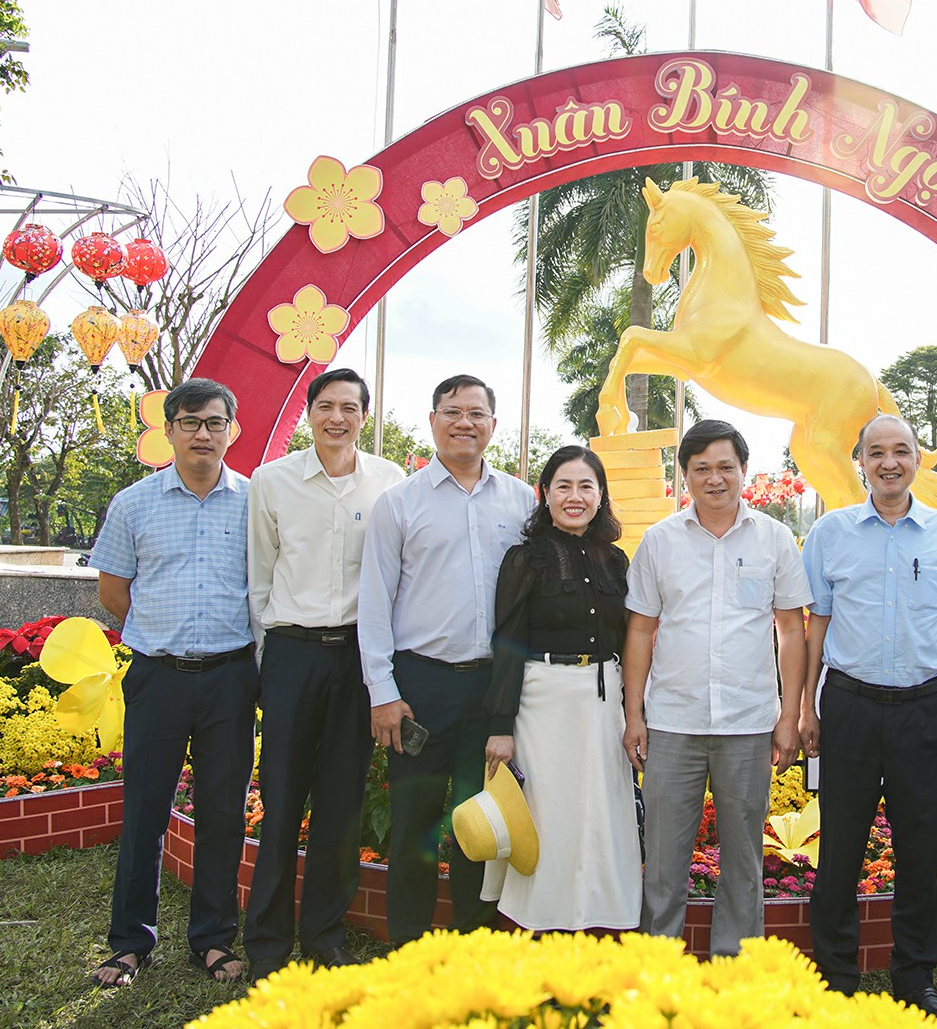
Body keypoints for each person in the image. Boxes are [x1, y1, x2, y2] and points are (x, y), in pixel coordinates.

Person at [800, 413, 937, 1022]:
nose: (889, 462)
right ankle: (835, 979)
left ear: (917, 459)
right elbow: (816, 624)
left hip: (923, 709)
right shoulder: (830, 532)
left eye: (901, 451)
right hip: (850, 707)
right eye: (877, 452)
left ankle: (915, 977)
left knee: (918, 850)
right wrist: (805, 705)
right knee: (840, 849)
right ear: (860, 461)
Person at [88, 378, 255, 988]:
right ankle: (130, 942)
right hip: (157, 677)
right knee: (145, 810)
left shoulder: (255, 502)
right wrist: (160, 629)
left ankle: (212, 939)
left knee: (223, 812)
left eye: (214, 422)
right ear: (169, 430)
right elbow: (114, 591)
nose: (202, 433)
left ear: (232, 430)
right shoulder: (134, 503)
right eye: (190, 422)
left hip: (231, 678)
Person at [358, 375, 536, 944]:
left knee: (479, 819)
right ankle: (409, 944)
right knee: (414, 818)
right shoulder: (399, 502)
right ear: (432, 420)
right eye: (452, 411)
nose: (465, 423)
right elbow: (374, 603)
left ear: (493, 425)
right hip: (421, 685)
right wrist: (383, 693)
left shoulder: (521, 500)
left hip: (492, 688)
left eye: (476, 413)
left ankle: (471, 943)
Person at [623, 419, 811, 955]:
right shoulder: (660, 541)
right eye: (701, 468)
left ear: (744, 471)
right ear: (685, 476)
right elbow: (640, 630)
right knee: (663, 862)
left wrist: (789, 715)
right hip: (672, 723)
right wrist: (634, 716)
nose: (714, 478)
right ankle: (658, 969)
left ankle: (735, 970)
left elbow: (790, 631)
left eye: (725, 466)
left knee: (744, 862)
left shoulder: (774, 538)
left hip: (748, 724)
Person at [243, 367, 405, 980]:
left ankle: (324, 936)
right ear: (309, 412)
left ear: (365, 415)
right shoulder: (272, 481)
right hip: (292, 652)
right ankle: (266, 942)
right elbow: (260, 578)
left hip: (357, 657)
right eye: (326, 406)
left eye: (350, 408)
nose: (338, 418)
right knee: (281, 799)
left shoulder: (388, 482)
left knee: (341, 801)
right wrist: (270, 661)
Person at [483, 445, 640, 929]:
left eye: (586, 486)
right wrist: (500, 726)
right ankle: (539, 919)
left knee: (602, 810)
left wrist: (636, 714)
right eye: (564, 486)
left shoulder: (616, 560)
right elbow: (507, 643)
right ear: (545, 493)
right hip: (543, 703)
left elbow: (632, 638)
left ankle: (601, 916)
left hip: (604, 702)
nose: (575, 497)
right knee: (548, 813)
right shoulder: (525, 559)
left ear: (601, 496)